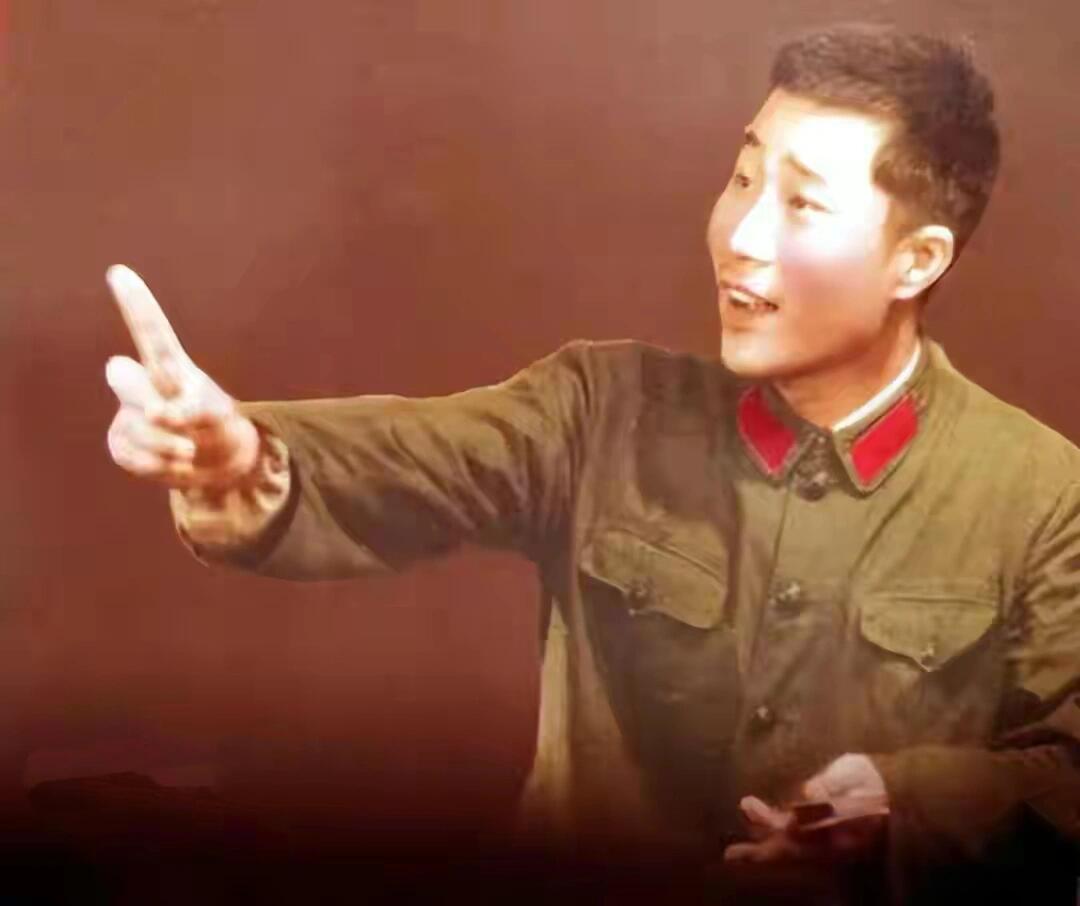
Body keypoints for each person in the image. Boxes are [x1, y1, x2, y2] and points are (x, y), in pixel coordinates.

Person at [103, 23, 1080, 904]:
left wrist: (906, 809)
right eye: (743, 178)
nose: (742, 236)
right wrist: (245, 456)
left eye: (800, 203)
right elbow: (415, 456)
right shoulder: (600, 410)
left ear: (918, 260)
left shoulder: (1043, 498)